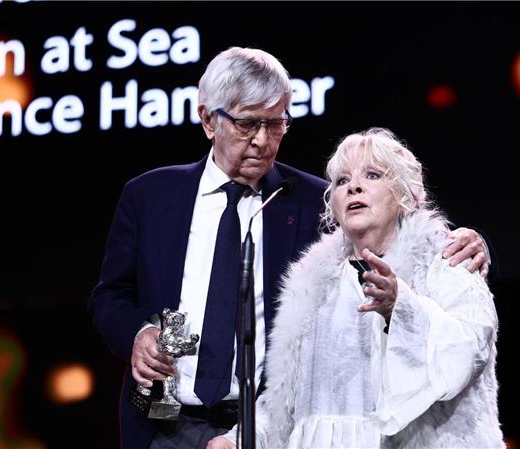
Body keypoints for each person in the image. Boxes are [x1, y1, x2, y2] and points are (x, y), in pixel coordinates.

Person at [89, 47, 495, 449]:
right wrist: (139, 333)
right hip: (165, 420)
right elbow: (110, 296)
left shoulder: (315, 201)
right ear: (209, 120)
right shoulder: (150, 196)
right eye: (247, 124)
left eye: (276, 124)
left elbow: (396, 229)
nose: (262, 141)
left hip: (266, 425)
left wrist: (474, 242)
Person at [207, 128, 503, 449]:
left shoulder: (447, 259)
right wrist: (236, 440)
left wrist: (400, 308)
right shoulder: (312, 287)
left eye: (372, 175)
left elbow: (468, 350)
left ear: (408, 195)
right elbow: (287, 400)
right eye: (342, 181)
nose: (354, 187)